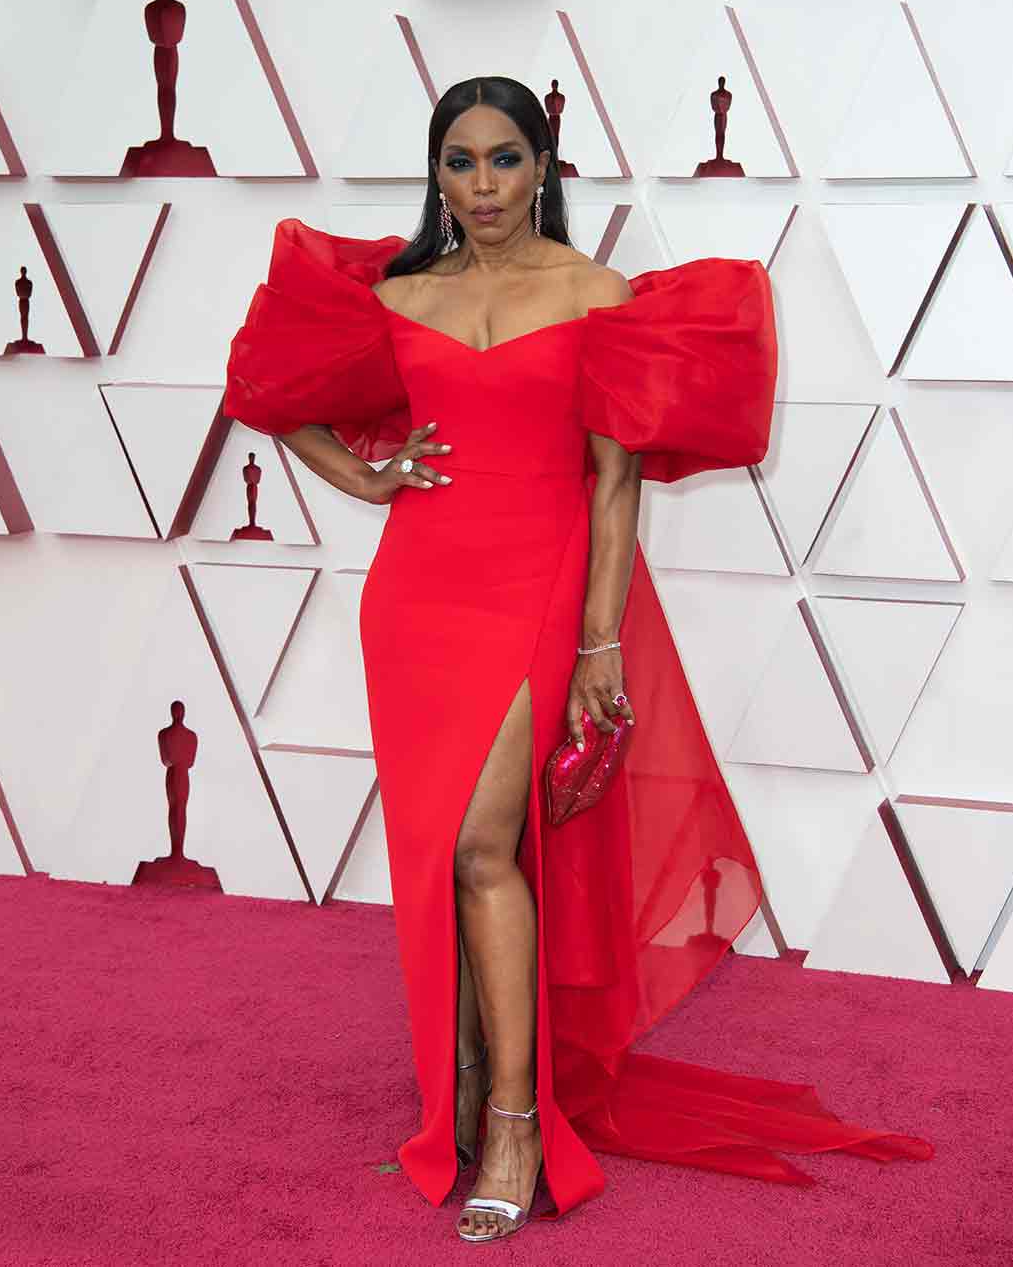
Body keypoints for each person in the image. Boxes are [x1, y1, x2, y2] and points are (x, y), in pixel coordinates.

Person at [222, 76, 933, 1243]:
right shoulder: (403, 291)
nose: (484, 186)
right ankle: (457, 1101)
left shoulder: (597, 293)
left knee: (479, 844)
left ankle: (513, 1121)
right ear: (436, 174)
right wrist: (362, 476)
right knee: (438, 858)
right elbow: (269, 385)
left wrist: (599, 645)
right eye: (460, 162)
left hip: (539, 582)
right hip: (418, 594)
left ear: (545, 165)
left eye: (506, 160)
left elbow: (614, 489)